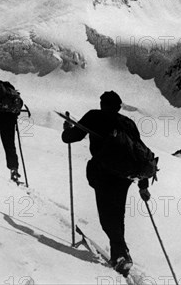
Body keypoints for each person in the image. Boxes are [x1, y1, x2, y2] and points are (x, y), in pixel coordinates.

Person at [61, 91, 151, 276]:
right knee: (117, 214)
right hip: (124, 176)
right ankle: (120, 252)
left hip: (103, 173)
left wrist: (67, 129)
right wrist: (143, 185)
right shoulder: (128, 123)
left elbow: (71, 138)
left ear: (102, 104)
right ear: (119, 107)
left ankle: (121, 255)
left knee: (106, 217)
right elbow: (138, 152)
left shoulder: (94, 116)